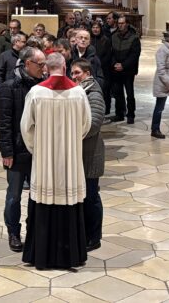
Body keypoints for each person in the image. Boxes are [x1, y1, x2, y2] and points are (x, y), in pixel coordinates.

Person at [20, 52, 91, 270]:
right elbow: (86, 125)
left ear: (46, 68)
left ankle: (42, 254)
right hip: (69, 159)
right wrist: (71, 141)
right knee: (69, 200)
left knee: (44, 200)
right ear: (65, 65)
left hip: (44, 161)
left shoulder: (36, 92)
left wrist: (38, 148)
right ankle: (71, 255)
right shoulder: (78, 93)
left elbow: (26, 127)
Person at [0, 47, 46, 251]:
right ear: (27, 64)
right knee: (14, 195)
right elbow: (4, 123)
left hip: (39, 151)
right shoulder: (10, 87)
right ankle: (13, 233)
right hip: (17, 151)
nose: (44, 68)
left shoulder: (43, 86)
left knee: (38, 194)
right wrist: (6, 152)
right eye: (40, 64)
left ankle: (33, 229)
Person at [71, 60, 105, 251]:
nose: (74, 76)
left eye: (77, 73)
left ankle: (94, 236)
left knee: (91, 197)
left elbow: (95, 122)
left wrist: (72, 133)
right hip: (81, 152)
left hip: (91, 154)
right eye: (72, 73)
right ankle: (84, 233)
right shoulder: (79, 90)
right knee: (83, 197)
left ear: (87, 73)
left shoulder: (94, 92)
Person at [110, 15, 141, 124]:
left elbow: (134, 55)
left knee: (129, 93)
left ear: (127, 24)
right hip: (116, 69)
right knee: (118, 93)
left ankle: (131, 114)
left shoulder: (134, 38)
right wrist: (115, 64)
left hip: (128, 70)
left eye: (122, 23)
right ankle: (120, 113)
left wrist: (123, 65)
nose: (120, 25)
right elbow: (111, 52)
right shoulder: (113, 36)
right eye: (119, 23)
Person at [0, 32, 26, 125]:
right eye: (23, 42)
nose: (25, 44)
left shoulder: (25, 56)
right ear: (16, 42)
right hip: (8, 90)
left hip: (21, 91)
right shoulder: (5, 56)